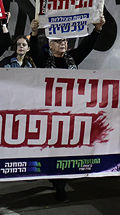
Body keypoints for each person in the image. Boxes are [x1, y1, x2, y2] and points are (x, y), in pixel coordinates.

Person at [30, 16, 105, 202]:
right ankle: (55, 178)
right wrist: (34, 33)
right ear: (50, 43)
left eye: (64, 40)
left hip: (70, 112)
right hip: (48, 112)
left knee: (64, 147)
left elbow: (87, 46)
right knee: (51, 147)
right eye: (58, 41)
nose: (63, 43)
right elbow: (34, 50)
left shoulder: (72, 58)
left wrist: (97, 29)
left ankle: (60, 183)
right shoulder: (44, 59)